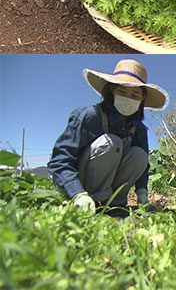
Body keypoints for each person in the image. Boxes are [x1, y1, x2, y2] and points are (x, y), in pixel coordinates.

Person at [47, 59, 169, 215]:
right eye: (122, 92)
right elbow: (60, 161)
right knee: (111, 142)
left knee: (140, 155)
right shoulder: (90, 116)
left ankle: (114, 205)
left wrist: (142, 191)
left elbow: (142, 168)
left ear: (142, 98)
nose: (128, 98)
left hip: (112, 192)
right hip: (82, 187)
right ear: (111, 91)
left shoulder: (138, 129)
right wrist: (77, 193)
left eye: (134, 94)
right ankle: (92, 202)